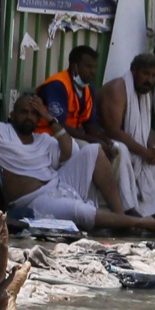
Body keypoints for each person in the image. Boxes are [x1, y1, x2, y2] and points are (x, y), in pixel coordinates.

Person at [0, 93, 155, 235]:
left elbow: (69, 152)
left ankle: (120, 218)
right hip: (34, 201)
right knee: (80, 210)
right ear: (13, 114)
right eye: (24, 112)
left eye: (34, 113)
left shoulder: (44, 139)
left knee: (93, 151)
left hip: (58, 185)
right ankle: (145, 224)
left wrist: (50, 118)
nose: (29, 117)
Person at [35, 44, 135, 214]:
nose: (93, 71)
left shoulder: (88, 89)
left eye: (95, 67)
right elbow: (58, 124)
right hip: (51, 137)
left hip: (73, 137)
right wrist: (94, 141)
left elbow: (89, 124)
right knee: (91, 150)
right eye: (89, 66)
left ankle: (124, 206)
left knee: (119, 149)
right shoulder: (58, 85)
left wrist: (105, 140)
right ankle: (92, 208)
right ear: (75, 66)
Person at [98, 53, 155, 218]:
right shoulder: (118, 89)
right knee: (123, 151)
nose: (149, 79)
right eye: (146, 74)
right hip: (105, 142)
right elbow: (112, 130)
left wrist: (151, 148)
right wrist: (144, 151)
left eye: (154, 75)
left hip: (129, 142)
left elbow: (146, 129)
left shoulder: (146, 93)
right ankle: (128, 208)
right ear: (134, 71)